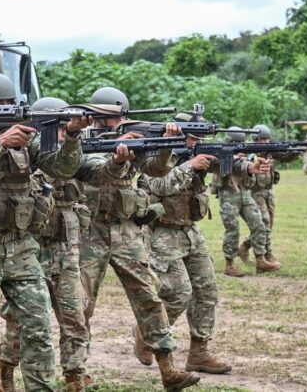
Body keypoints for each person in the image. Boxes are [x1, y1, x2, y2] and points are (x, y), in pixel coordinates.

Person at [0, 72, 91, 392]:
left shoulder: (27, 140)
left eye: (8, 105)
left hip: (21, 247)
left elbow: (62, 168)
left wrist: (74, 135)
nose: (5, 111)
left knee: (37, 329)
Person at [0, 97, 132, 392]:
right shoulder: (23, 157)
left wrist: (118, 162)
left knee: (75, 317)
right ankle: (5, 370)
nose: (61, 133)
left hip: (66, 249)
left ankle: (74, 376)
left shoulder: (73, 154)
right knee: (20, 321)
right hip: (29, 250)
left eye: (64, 127)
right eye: (56, 127)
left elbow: (100, 172)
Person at [78, 87, 200, 391]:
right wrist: (116, 153)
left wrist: (166, 147)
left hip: (125, 229)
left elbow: (156, 169)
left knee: (148, 295)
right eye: (99, 117)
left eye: (111, 117)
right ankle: (76, 370)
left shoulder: (136, 135)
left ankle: (167, 368)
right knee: (81, 304)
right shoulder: (80, 138)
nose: (103, 122)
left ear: (123, 114)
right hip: (88, 230)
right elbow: (84, 169)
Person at [136, 111, 270, 376]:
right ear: (178, 135)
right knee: (176, 294)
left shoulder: (195, 154)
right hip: (162, 233)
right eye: (192, 138)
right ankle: (146, 334)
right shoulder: (154, 155)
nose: (195, 143)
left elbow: (222, 164)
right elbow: (159, 184)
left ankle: (199, 352)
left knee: (206, 291)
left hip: (190, 232)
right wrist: (190, 165)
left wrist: (249, 167)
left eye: (199, 138)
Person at [213, 127, 274, 277]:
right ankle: (229, 264)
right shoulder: (220, 152)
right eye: (236, 143)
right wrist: (234, 157)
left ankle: (261, 259)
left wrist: (248, 162)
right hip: (228, 194)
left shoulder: (247, 155)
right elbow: (221, 168)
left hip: (244, 192)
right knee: (232, 229)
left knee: (259, 223)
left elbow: (250, 173)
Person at [239, 124, 285, 271]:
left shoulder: (268, 152)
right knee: (264, 223)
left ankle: (245, 246)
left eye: (266, 140)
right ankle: (266, 255)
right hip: (255, 193)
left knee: (269, 224)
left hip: (268, 192)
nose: (264, 142)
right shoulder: (250, 154)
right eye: (261, 140)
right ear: (255, 139)